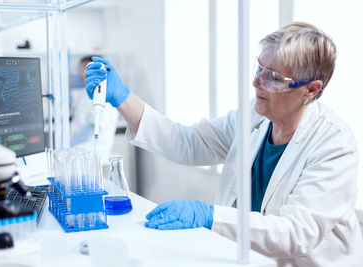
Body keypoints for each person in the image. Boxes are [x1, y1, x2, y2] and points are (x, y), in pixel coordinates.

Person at [85, 22, 363, 266]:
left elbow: (296, 233)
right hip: (248, 257)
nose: (256, 82)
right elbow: (188, 142)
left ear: (311, 90)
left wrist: (208, 216)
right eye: (259, 68)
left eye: (274, 78)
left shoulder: (334, 145)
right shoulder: (254, 115)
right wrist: (122, 98)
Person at [69, 55, 118, 162]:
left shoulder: (106, 95)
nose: (82, 73)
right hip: (78, 149)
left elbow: (93, 127)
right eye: (80, 69)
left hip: (94, 151)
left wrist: (70, 145)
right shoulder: (85, 91)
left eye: (86, 69)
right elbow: (68, 97)